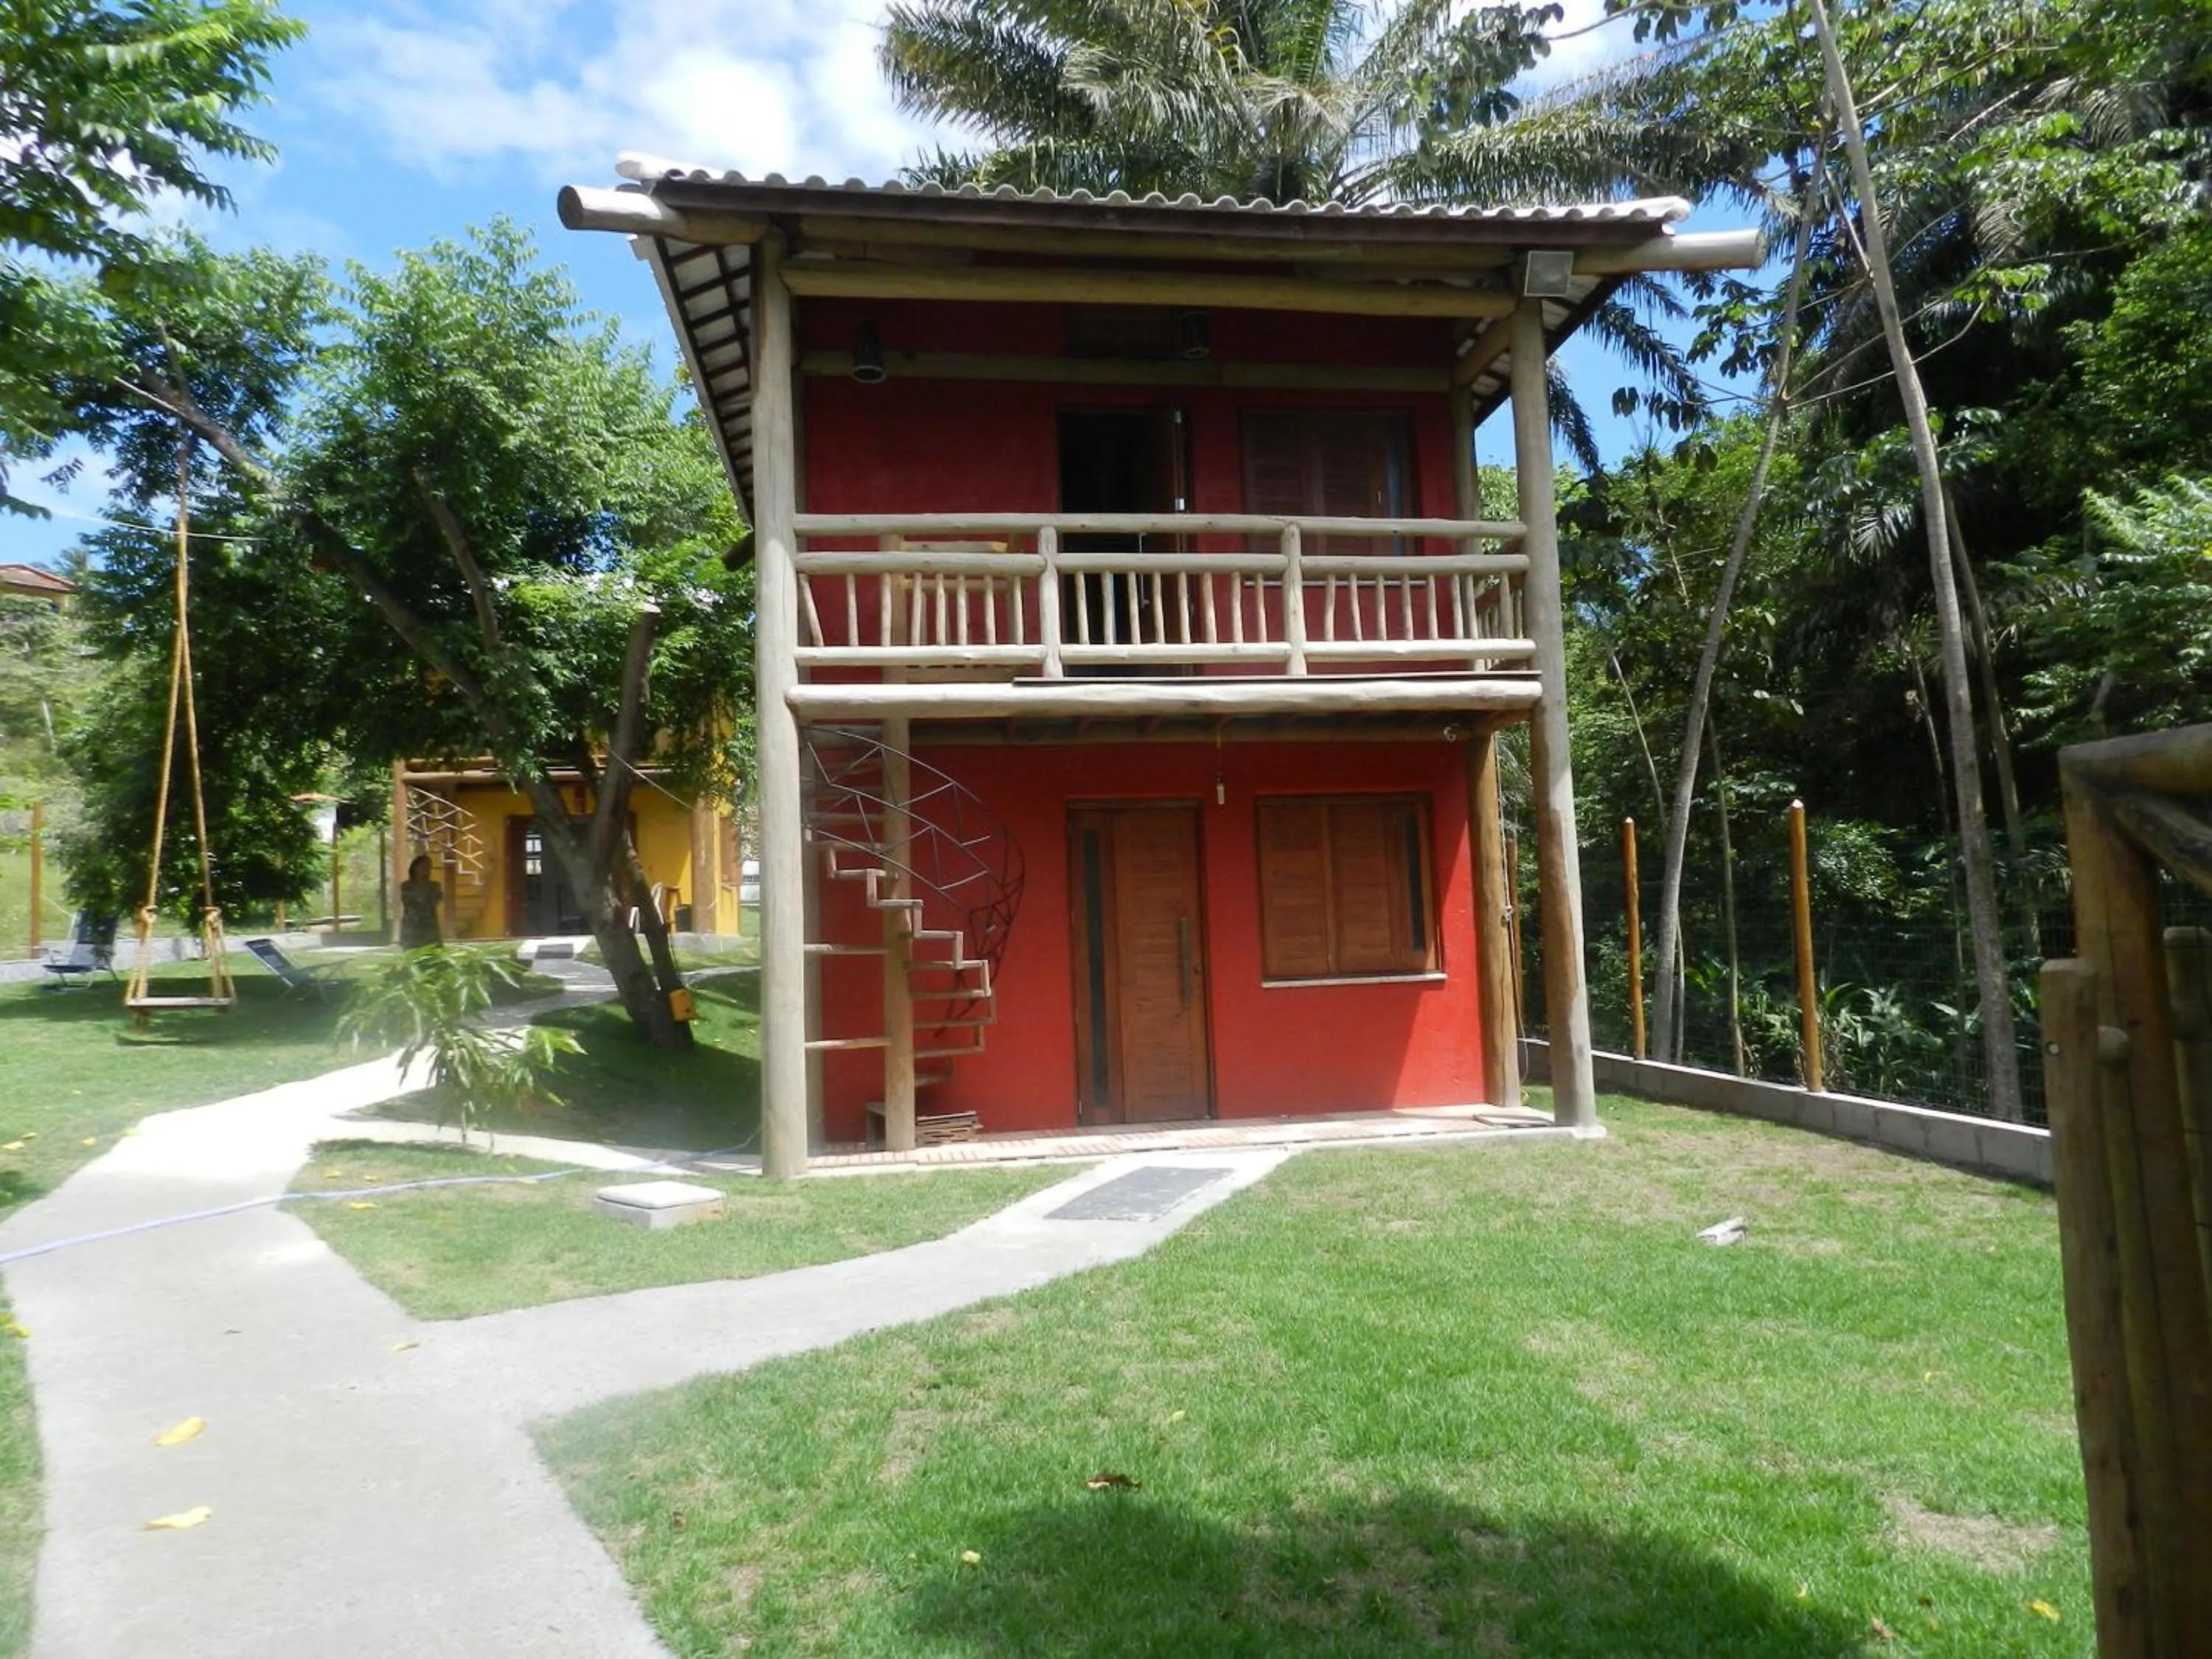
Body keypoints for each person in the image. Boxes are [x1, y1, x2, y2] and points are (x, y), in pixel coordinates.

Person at [398, 854, 444, 950]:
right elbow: (408, 903)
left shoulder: (435, 886)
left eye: (429, 866)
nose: (427, 868)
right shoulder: (407, 886)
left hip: (429, 925)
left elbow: (434, 902)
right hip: (412, 925)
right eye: (424, 865)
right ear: (416, 867)